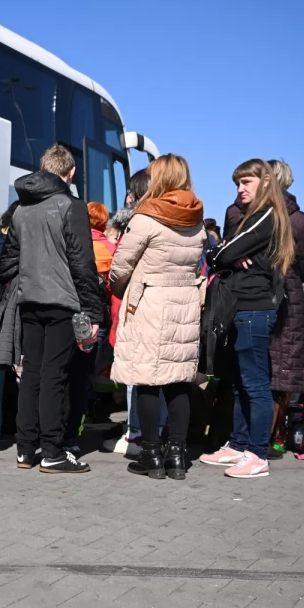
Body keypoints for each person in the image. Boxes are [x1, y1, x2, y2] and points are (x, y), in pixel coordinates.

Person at [0, 144, 106, 473]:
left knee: (31, 373)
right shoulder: (70, 206)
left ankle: (25, 449)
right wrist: (94, 312)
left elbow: (6, 265)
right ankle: (53, 451)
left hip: (30, 300)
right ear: (70, 173)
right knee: (54, 376)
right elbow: (82, 263)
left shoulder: (20, 209)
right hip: (63, 302)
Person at [110, 154, 206, 479]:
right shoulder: (196, 219)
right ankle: (177, 455)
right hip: (185, 304)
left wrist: (127, 290)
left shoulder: (146, 216)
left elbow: (120, 266)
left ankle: (150, 453)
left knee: (147, 380)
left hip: (149, 302)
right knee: (179, 381)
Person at [200, 159, 295, 478]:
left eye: (246, 183)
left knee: (254, 383)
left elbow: (222, 253)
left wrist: (224, 254)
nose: (240, 189)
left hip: (255, 308)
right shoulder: (252, 216)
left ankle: (257, 453)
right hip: (242, 306)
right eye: (237, 183)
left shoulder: (266, 215)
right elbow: (219, 254)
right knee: (240, 382)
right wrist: (223, 254)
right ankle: (239, 444)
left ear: (266, 182)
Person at [258, 160, 304, 459]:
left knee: (260, 369)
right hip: (289, 298)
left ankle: (255, 435)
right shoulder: (299, 219)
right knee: (283, 374)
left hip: (257, 296)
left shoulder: (250, 214)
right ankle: (274, 437)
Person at [103, 167, 155, 457]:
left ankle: (137, 434)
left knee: (136, 374)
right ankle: (151, 432)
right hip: (157, 309)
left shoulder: (137, 225)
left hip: (132, 308)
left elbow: (120, 269)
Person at [62, 202, 117, 453]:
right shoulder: (111, 248)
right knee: (83, 378)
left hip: (68, 315)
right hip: (97, 318)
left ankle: (57, 431)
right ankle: (75, 433)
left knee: (60, 374)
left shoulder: (73, 244)